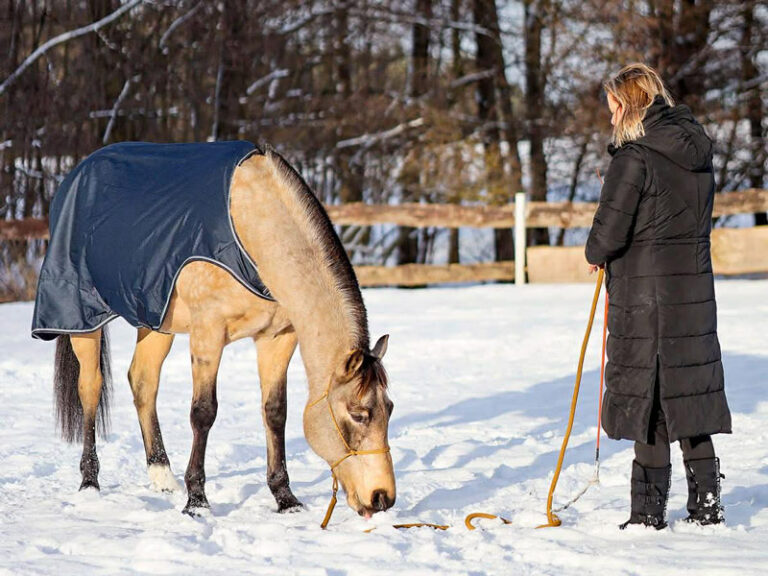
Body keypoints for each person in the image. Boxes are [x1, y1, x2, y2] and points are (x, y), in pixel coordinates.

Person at [585, 63, 732, 529]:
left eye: (612, 109)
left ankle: (646, 515)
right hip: (692, 296)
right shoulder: (697, 152)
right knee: (689, 399)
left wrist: (595, 253)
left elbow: (607, 235)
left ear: (627, 106)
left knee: (648, 404)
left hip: (645, 302)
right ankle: (706, 505)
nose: (610, 119)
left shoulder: (633, 158)